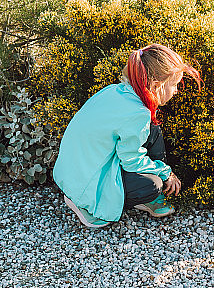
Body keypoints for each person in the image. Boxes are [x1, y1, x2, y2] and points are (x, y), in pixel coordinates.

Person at [53, 44, 201, 228]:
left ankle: (147, 198)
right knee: (152, 184)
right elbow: (131, 161)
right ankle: (85, 205)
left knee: (153, 128)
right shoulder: (137, 113)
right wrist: (165, 172)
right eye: (175, 85)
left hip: (73, 171)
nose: (177, 91)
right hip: (86, 184)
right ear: (157, 85)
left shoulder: (114, 91)